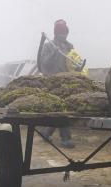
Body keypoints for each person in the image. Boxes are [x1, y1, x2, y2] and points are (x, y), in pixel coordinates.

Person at [37, 19, 87, 148]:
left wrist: (78, 68)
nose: (64, 35)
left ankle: (46, 133)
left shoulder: (69, 46)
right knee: (62, 109)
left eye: (65, 32)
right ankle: (66, 138)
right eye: (61, 32)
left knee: (61, 109)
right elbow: (43, 64)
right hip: (52, 82)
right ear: (56, 33)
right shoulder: (48, 46)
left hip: (66, 82)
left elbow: (72, 62)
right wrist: (53, 53)